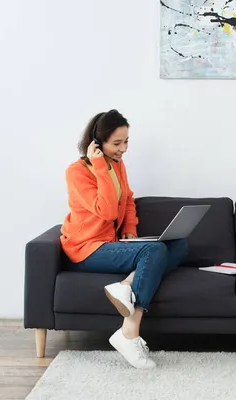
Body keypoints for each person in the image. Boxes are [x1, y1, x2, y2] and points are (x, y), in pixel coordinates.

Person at [60, 109, 188, 369]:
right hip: (86, 248)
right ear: (97, 143)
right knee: (153, 252)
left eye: (126, 141)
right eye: (117, 143)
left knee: (179, 245)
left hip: (113, 244)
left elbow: (127, 198)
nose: (124, 149)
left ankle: (126, 285)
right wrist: (100, 168)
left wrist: (130, 229)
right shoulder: (78, 172)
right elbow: (106, 211)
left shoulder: (117, 165)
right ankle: (129, 331)